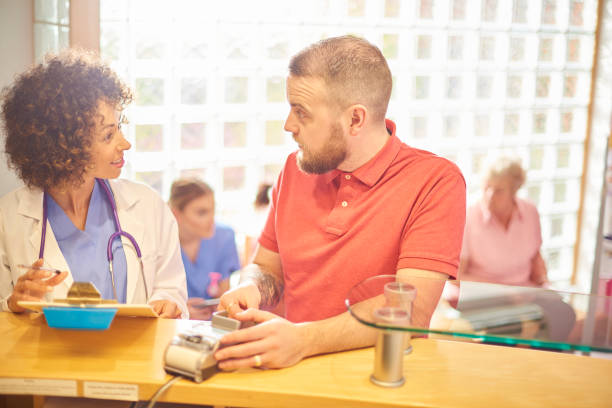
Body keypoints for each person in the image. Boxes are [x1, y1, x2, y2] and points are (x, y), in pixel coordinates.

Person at [213, 35, 466, 370]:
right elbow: (267, 268)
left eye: (302, 113)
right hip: (290, 372)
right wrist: (252, 287)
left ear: (355, 120)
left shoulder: (435, 181)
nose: (289, 126)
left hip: (381, 379)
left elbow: (410, 310)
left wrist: (304, 340)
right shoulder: (293, 168)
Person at [0, 50, 187, 318]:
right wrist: (12, 305)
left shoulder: (147, 206)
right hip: (52, 360)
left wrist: (169, 303)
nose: (125, 144)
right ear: (64, 145)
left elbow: (172, 289)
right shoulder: (7, 219)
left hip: (134, 358)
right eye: (109, 135)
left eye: (119, 127)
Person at [459, 157, 548, 287]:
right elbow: (457, 276)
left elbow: (535, 257)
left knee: (564, 308)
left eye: (499, 190)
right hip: (483, 294)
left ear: (514, 191)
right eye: (487, 187)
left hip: (525, 291)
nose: (490, 195)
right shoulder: (468, 214)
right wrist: (506, 292)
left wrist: (543, 283)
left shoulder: (530, 210)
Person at [169, 178, 240, 320]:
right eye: (202, 213)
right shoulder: (160, 244)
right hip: (174, 324)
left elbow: (223, 297)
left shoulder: (224, 237)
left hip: (213, 324)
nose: (211, 220)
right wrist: (181, 312)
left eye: (213, 210)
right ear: (176, 214)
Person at [243, 182, 272, 264]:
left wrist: (246, 265)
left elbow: (248, 240)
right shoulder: (268, 212)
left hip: (255, 260)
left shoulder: (255, 214)